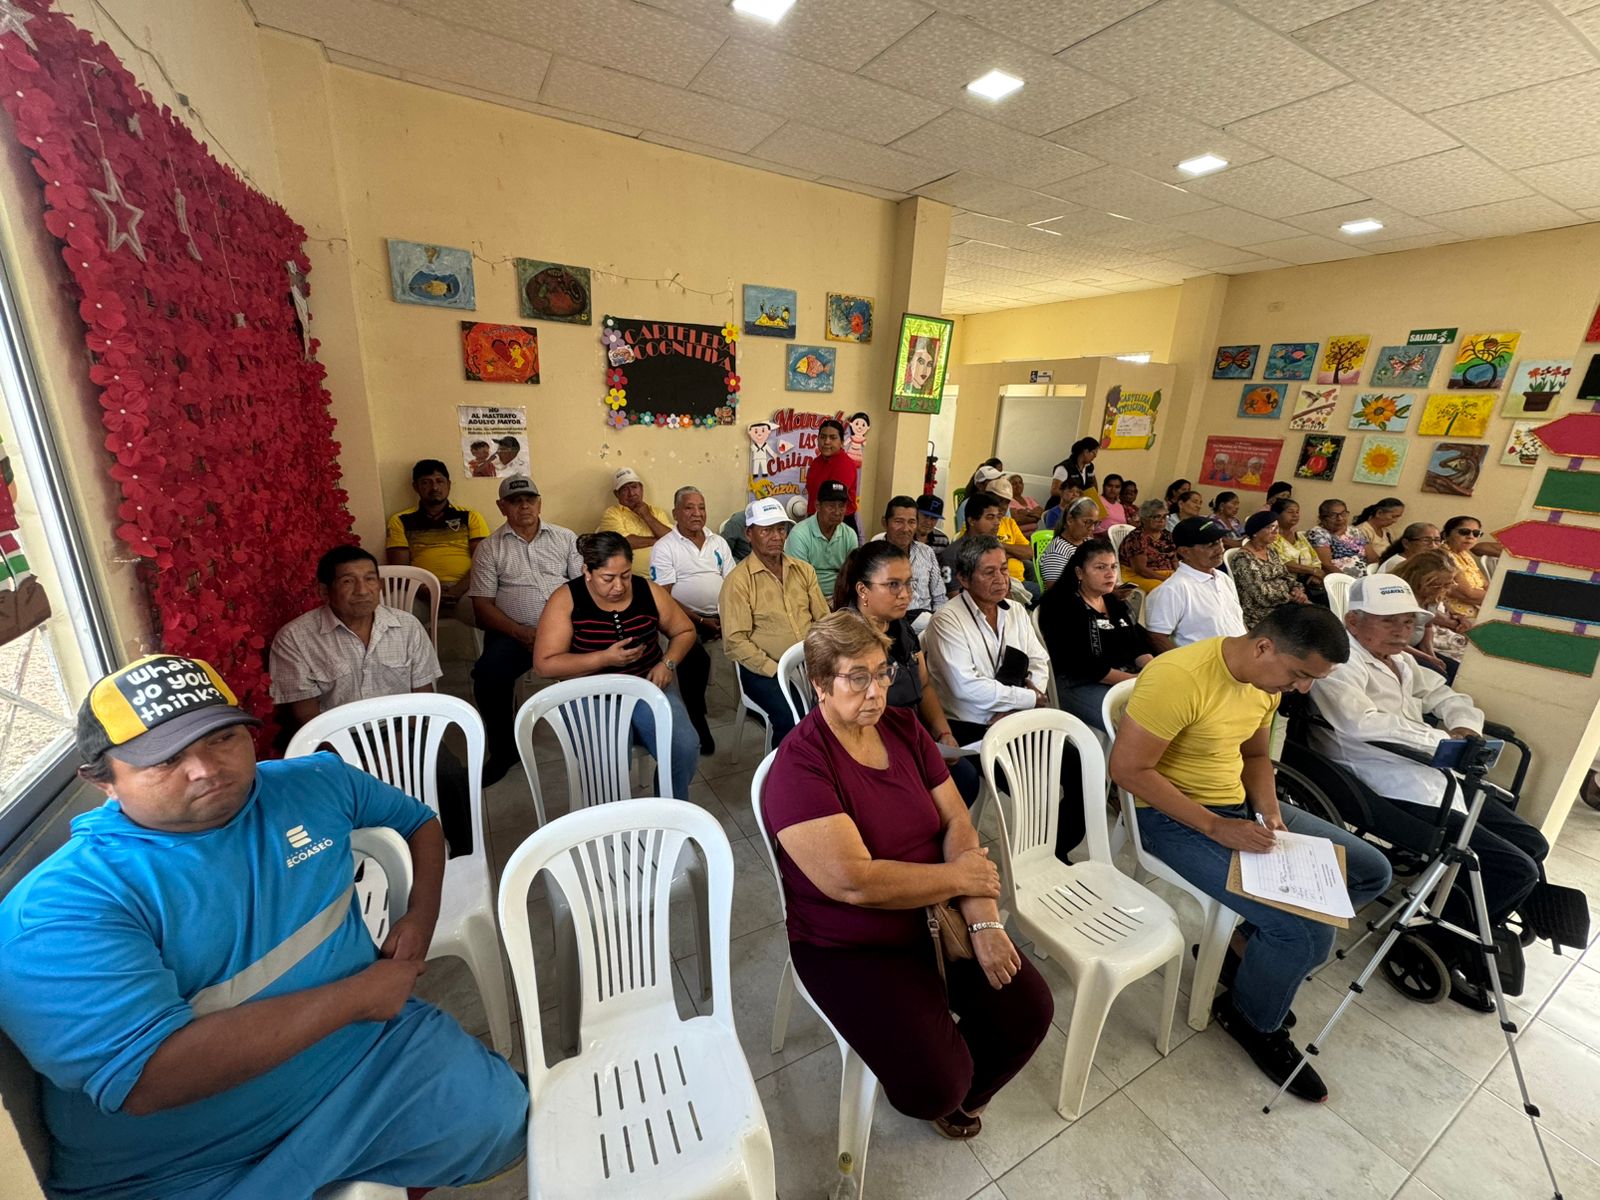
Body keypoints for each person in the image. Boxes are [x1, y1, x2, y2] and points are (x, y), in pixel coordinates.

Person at [0, 656, 527, 1199]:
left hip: (365, 1058)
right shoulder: (61, 908)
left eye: (222, 738)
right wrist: (359, 997)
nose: (205, 769)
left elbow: (417, 820)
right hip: (180, 1162)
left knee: (505, 1121)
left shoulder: (314, 782)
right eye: (165, 759)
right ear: (102, 781)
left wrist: (418, 917)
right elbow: (150, 1076)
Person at [762, 612, 1053, 1139]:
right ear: (820, 684)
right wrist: (962, 880)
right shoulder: (799, 767)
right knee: (936, 1084)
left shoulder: (901, 727)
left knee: (1028, 1009)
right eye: (857, 677)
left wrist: (984, 922)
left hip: (937, 914)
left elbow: (958, 821)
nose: (876, 692)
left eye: (882, 672)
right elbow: (854, 882)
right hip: (850, 944)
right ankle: (946, 1084)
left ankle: (964, 1091)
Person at [1109, 607, 1393, 1101]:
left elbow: (1256, 755)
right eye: (1300, 674)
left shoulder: (1265, 682)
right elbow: (1129, 771)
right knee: (1307, 933)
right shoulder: (1179, 678)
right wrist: (1216, 827)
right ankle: (1250, 1019)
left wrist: (1269, 813)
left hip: (1238, 805)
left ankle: (1242, 952)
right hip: (1172, 817)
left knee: (1371, 871)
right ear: (1264, 647)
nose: (1302, 689)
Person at [1310, 575, 1547, 1009]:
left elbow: (1446, 696)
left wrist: (1463, 728)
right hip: (1382, 781)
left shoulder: (1401, 661)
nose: (1403, 631)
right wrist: (1439, 741)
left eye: (1408, 622)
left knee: (1533, 843)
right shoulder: (1339, 664)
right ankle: (1439, 940)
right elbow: (1359, 723)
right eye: (1389, 622)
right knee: (1516, 868)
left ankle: (1468, 912)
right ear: (1353, 621)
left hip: (1433, 773)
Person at [269, 546, 474, 856]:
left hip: (402, 733)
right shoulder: (295, 639)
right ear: (324, 590)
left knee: (449, 775)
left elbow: (424, 701)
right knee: (329, 799)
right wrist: (355, 760)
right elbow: (307, 718)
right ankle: (359, 866)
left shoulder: (406, 627)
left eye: (370, 579)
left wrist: (396, 750)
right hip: (333, 743)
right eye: (348, 581)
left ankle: (462, 856)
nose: (362, 590)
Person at [532, 532, 700, 798]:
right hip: (590, 694)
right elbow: (544, 665)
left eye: (626, 575)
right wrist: (604, 658)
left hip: (647, 685)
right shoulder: (566, 599)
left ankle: (670, 808)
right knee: (609, 760)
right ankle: (613, 816)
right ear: (587, 571)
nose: (619, 586)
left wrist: (667, 663)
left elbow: (685, 631)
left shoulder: (648, 591)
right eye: (608, 578)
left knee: (684, 748)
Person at [836, 543, 978, 803]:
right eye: (893, 585)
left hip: (911, 734)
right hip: (872, 746)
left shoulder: (901, 628)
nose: (906, 595)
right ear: (863, 590)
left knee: (966, 779)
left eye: (908, 584)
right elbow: (851, 725)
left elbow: (924, 685)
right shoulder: (846, 642)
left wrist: (943, 733)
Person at [469, 474, 582, 783]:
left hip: (566, 629)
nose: (524, 506)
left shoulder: (565, 538)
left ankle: (601, 733)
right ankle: (504, 751)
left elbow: (582, 589)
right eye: (515, 501)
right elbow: (482, 607)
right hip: (516, 634)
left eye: (529, 499)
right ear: (501, 506)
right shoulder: (489, 548)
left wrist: (563, 628)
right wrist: (519, 632)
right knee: (487, 676)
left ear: (539, 503)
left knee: (604, 657)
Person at [720, 497, 831, 745]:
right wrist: (777, 670)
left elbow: (824, 620)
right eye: (766, 530)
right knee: (795, 720)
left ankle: (825, 763)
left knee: (845, 705)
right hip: (764, 670)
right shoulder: (738, 581)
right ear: (749, 534)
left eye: (781, 529)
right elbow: (735, 642)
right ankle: (785, 767)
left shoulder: (803, 570)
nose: (776, 536)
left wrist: (824, 659)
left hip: (810, 663)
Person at [923, 535, 1051, 748]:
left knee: (1073, 759)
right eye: (989, 572)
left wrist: (1019, 705)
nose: (1001, 579)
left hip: (1018, 716)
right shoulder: (947, 620)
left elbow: (1038, 662)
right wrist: (1028, 698)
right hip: (972, 725)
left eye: (1004, 569)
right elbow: (966, 686)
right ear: (964, 579)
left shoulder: (1016, 611)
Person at [650, 485, 735, 754]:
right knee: (695, 658)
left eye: (701, 507)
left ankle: (754, 701)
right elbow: (664, 597)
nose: (697, 513)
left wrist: (728, 616)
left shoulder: (718, 542)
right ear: (675, 513)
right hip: (684, 619)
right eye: (689, 508)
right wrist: (699, 620)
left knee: (756, 636)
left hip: (722, 615)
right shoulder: (665, 547)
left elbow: (733, 584)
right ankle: (696, 718)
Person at [1037, 537, 1152, 732]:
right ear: (1079, 572)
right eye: (1100, 568)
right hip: (1079, 684)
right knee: (1138, 719)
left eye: (1113, 567)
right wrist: (1134, 680)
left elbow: (1136, 645)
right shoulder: (1060, 605)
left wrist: (1152, 670)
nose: (1110, 574)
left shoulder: (1113, 602)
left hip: (1126, 676)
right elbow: (1083, 664)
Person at [384, 459, 489, 626]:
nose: (434, 488)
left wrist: (458, 590)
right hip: (421, 593)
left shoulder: (470, 516)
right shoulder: (401, 520)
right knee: (393, 618)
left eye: (440, 481)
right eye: (426, 482)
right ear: (415, 487)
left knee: (492, 613)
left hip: (465, 591)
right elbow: (400, 570)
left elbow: (484, 563)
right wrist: (427, 591)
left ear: (449, 484)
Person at [1145, 517, 1246, 652]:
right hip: (1206, 662)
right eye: (1210, 545)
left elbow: (1237, 620)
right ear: (1185, 552)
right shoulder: (1173, 589)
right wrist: (1185, 663)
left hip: (1240, 656)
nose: (1220, 549)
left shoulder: (1223, 578)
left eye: (1219, 541)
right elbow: (1157, 637)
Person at [1393, 550, 1471, 682]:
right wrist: (1427, 658)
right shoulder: (1400, 597)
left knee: (1458, 672)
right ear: (1420, 580)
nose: (1444, 589)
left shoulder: (1433, 595)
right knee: (1441, 678)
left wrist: (1431, 654)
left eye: (1448, 584)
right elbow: (1392, 638)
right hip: (1397, 649)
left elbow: (1427, 626)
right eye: (1438, 585)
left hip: (1417, 647)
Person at [1230, 510, 1308, 630]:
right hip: (1261, 613)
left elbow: (1286, 576)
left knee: (1319, 617)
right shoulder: (1243, 559)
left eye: (1276, 527)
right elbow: (1261, 595)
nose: (1276, 531)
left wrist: (1297, 590)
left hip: (1285, 604)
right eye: (1270, 527)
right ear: (1255, 532)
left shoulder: (1271, 551)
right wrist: (1291, 597)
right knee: (1310, 623)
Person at [876, 494, 946, 622]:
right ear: (884, 522)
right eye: (899, 521)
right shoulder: (873, 554)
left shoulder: (927, 552)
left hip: (927, 623)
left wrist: (937, 624)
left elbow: (939, 597)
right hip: (890, 623)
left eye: (912, 522)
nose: (906, 529)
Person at [786, 479, 859, 597]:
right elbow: (798, 579)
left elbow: (852, 574)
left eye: (841, 506)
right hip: (807, 596)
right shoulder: (799, 534)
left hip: (840, 597)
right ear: (818, 506)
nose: (837, 512)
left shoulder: (849, 534)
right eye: (831, 506)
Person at [597, 466, 672, 578]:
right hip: (629, 580)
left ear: (641, 489)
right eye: (624, 489)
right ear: (617, 494)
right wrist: (658, 540)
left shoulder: (657, 512)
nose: (631, 493)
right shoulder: (612, 513)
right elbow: (622, 543)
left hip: (665, 576)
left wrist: (647, 516)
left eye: (634, 487)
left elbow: (671, 539)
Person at [804, 418, 860, 534]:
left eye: (833, 438)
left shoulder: (845, 465)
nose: (827, 442)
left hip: (838, 524)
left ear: (842, 442)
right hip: (815, 521)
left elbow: (834, 500)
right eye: (823, 437)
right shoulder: (816, 463)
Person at [1119, 498, 1179, 593]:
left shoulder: (1167, 535)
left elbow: (1174, 560)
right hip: (1140, 576)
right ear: (1144, 519)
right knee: (1165, 589)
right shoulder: (1136, 538)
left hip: (1166, 574)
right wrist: (1167, 580)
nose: (1162, 520)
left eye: (1165, 516)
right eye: (1157, 517)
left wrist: (1179, 576)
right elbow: (1141, 570)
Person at [1038, 497, 1099, 588]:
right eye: (1088, 522)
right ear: (1070, 519)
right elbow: (1056, 591)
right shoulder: (1057, 551)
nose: (1092, 528)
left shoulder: (1089, 543)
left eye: (1095, 523)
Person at [1271, 498, 1324, 596]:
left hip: (1308, 582)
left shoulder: (1299, 536)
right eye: (1290, 512)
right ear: (1277, 515)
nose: (1295, 515)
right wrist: (1313, 571)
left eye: (1297, 512)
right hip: (1285, 585)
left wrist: (1315, 575)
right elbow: (1283, 564)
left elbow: (1315, 559)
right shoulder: (1271, 537)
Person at [1441, 515, 1490, 621]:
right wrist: (1496, 599)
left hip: (1479, 610)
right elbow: (1468, 594)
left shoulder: (1465, 554)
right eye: (1464, 532)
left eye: (1476, 533)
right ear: (1446, 535)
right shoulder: (1442, 556)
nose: (1470, 536)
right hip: (1456, 616)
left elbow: (1485, 584)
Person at [1306, 498, 1371, 577]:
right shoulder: (1318, 533)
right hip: (1341, 580)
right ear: (1322, 518)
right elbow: (1326, 565)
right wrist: (1348, 580)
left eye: (1343, 514)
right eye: (1333, 515)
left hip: (1367, 577)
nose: (1340, 518)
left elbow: (1373, 557)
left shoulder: (1354, 531)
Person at [1378, 521, 1442, 574]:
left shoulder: (1423, 562)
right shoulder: (1398, 564)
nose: (1433, 545)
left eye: (1437, 540)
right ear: (1406, 543)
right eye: (1426, 540)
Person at [1051, 437, 1099, 502]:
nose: (1095, 456)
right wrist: (1074, 494)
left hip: (1081, 504)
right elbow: (1054, 491)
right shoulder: (1064, 467)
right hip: (1062, 504)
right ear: (1085, 452)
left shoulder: (1090, 467)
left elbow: (1094, 488)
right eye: (1093, 452)